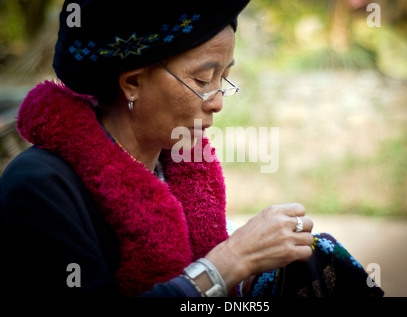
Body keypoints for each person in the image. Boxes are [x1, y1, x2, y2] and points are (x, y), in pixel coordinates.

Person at [0, 1, 383, 298]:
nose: (218, 101)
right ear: (132, 83)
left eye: (225, 78)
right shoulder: (38, 189)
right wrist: (229, 262)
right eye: (203, 78)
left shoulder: (181, 172)